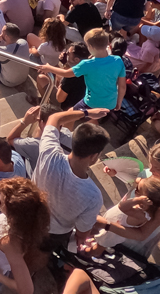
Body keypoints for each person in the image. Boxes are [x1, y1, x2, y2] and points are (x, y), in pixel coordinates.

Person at [27, 107, 111, 252]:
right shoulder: (93, 196)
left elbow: (55, 118)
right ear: (93, 156)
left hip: (26, 213)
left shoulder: (49, 153)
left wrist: (86, 113)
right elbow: (82, 233)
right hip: (52, 235)